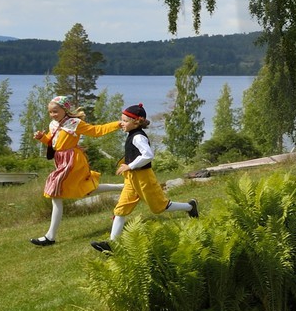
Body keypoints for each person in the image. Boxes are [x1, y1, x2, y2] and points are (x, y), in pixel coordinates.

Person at [90, 104, 198, 253]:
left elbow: (148, 155)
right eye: (121, 120)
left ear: (136, 122)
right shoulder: (131, 134)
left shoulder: (138, 137)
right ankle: (112, 244)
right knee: (120, 209)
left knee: (159, 207)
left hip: (143, 178)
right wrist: (128, 168)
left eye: (125, 121)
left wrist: (130, 166)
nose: (122, 123)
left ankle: (190, 207)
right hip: (131, 179)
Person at [31, 95, 122, 246]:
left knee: (55, 193)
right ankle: (124, 187)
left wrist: (117, 124)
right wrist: (42, 138)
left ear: (64, 109)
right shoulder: (53, 124)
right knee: (87, 190)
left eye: (55, 111)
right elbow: (53, 143)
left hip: (73, 162)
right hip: (62, 161)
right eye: (50, 112)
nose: (52, 114)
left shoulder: (75, 123)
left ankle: (50, 237)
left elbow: (96, 131)